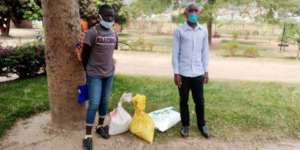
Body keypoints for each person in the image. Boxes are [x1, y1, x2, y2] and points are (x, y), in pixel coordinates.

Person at [80, 4, 118, 150]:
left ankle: (100, 126)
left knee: (105, 102)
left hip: (109, 74)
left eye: (112, 16)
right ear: (99, 17)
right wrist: (88, 70)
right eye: (107, 16)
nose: (109, 18)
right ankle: (87, 136)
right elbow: (85, 55)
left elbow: (111, 52)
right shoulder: (92, 32)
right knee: (94, 103)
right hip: (94, 74)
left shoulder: (114, 33)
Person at [172, 3, 209, 138]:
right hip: (183, 73)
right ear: (185, 13)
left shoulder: (203, 30)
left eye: (195, 11)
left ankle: (202, 125)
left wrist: (206, 71)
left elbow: (205, 53)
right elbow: (175, 53)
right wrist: (176, 73)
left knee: (200, 100)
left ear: (198, 13)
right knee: (184, 100)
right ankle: (185, 126)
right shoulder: (179, 31)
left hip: (198, 72)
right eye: (190, 11)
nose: (193, 13)